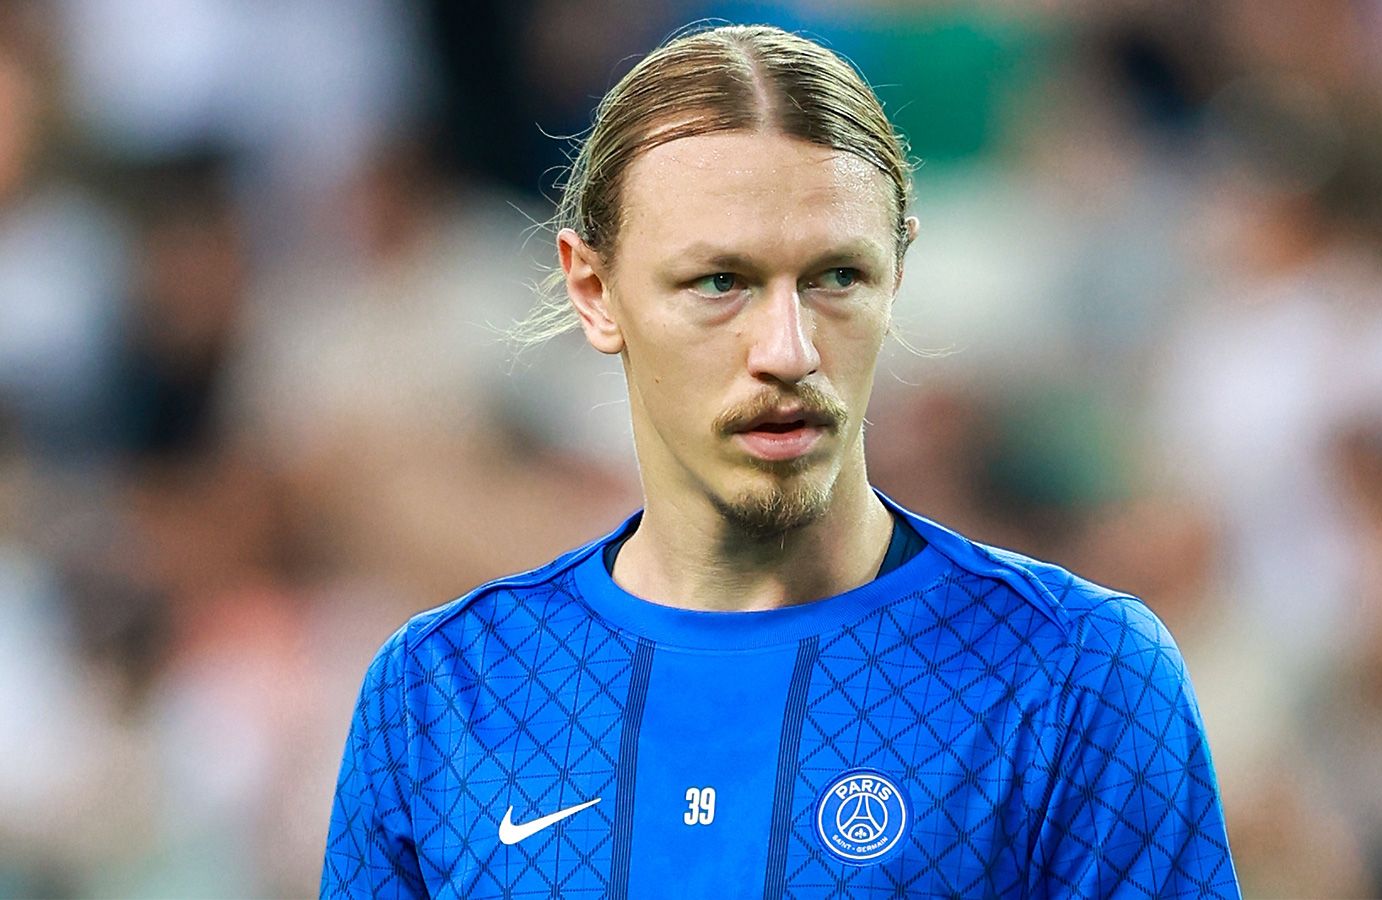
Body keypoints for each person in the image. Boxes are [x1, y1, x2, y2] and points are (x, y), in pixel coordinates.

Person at [322, 23, 1237, 899]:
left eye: (837, 277)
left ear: (898, 276)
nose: (789, 350)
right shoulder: (439, 696)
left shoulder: (1076, 676)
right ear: (594, 291)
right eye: (721, 282)